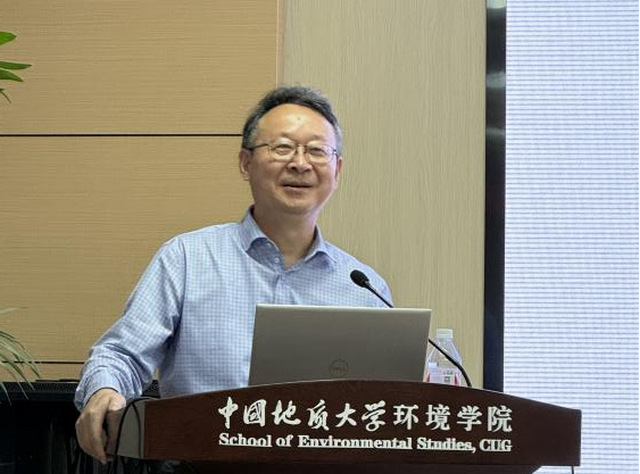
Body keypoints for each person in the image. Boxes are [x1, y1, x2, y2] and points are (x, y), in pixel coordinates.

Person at [74, 86, 392, 463]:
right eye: (283, 148)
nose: (300, 163)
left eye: (317, 150)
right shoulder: (188, 259)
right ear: (245, 163)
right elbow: (122, 354)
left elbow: (385, 406)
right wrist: (104, 390)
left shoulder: (364, 286)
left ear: (336, 171)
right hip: (200, 465)